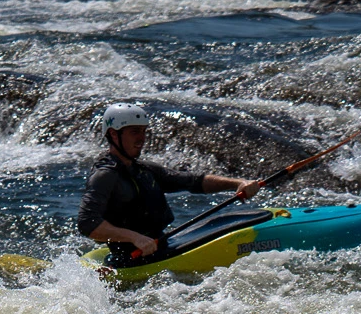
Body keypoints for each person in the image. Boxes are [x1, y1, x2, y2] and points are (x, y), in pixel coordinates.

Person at [78, 103, 265, 264]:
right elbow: (87, 224)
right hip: (131, 258)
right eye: (135, 132)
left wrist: (239, 183)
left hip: (160, 246)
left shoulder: (144, 169)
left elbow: (194, 181)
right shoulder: (104, 175)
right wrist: (134, 238)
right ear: (114, 134)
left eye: (143, 131)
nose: (141, 138)